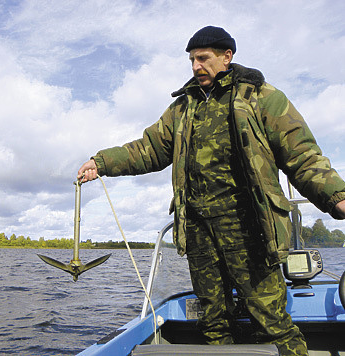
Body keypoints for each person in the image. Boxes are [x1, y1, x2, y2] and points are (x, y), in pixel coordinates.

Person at [77, 26, 345, 356]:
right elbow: (148, 149)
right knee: (214, 321)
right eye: (191, 60)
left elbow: (302, 154)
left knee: (271, 321)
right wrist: (101, 162)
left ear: (226, 57)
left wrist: (336, 195)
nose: (195, 66)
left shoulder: (260, 97)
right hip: (199, 231)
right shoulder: (182, 108)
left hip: (250, 228)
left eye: (203, 59)